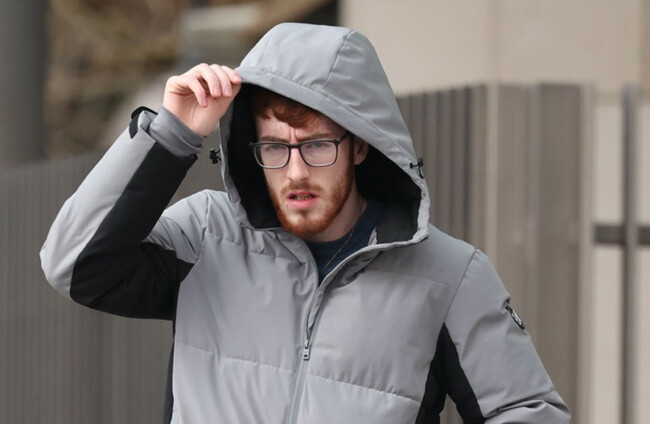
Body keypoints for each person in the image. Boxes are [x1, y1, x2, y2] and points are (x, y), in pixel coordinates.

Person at [41, 23, 570, 423]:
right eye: (275, 147)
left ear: (360, 145)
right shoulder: (205, 234)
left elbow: (527, 411)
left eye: (316, 145)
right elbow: (73, 264)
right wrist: (171, 132)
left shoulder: (451, 276)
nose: (295, 171)